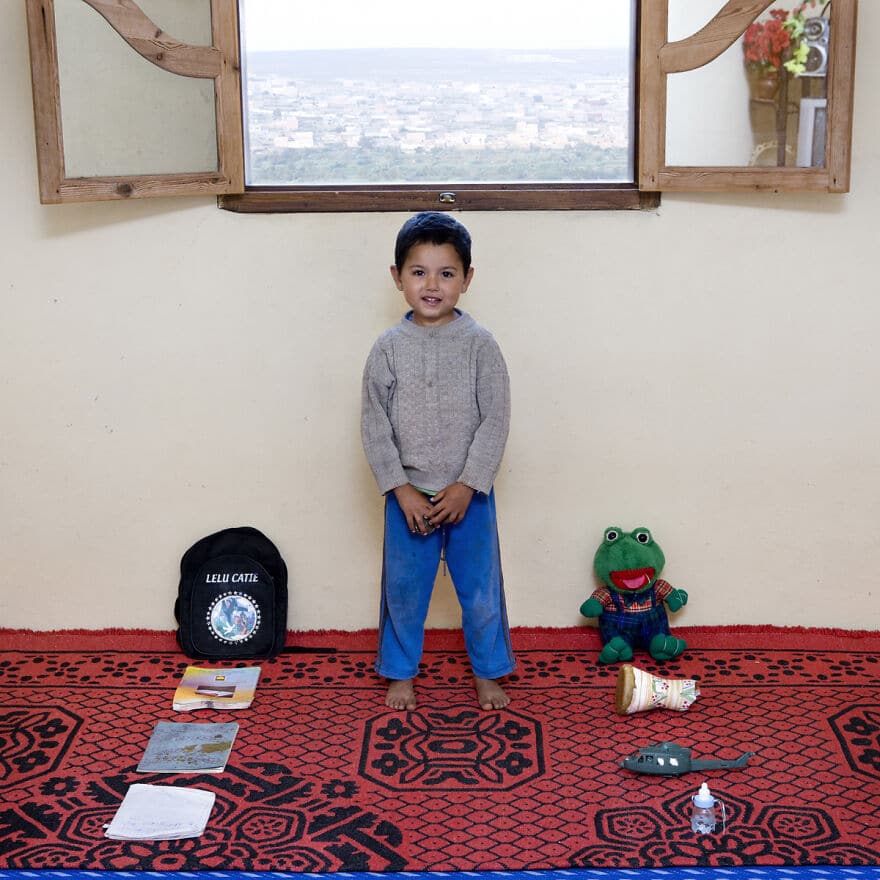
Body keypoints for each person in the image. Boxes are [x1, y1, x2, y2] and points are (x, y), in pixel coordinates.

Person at [361, 211, 516, 712]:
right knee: (404, 592)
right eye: (419, 272)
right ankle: (400, 674)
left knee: (480, 591)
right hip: (408, 496)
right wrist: (400, 488)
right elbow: (374, 425)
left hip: (469, 497)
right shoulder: (387, 349)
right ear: (397, 277)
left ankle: (488, 672)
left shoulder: (480, 345)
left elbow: (495, 419)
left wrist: (469, 484)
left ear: (467, 279)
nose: (432, 285)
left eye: (446, 273)